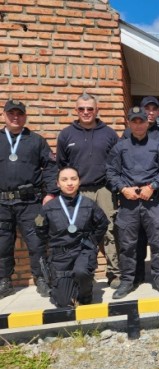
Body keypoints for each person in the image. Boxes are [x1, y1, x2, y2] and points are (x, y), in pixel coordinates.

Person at [106, 107, 159, 299]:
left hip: (152, 202)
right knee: (128, 245)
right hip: (128, 203)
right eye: (134, 121)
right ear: (129, 123)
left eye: (141, 121)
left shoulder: (158, 147)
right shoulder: (120, 148)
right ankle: (128, 281)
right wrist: (122, 188)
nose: (138, 125)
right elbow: (110, 172)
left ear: (147, 123)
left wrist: (152, 186)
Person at [56, 93, 120, 289]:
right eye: (81, 109)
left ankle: (114, 273)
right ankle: (85, 274)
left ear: (96, 110)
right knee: (80, 233)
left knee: (110, 230)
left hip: (104, 190)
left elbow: (117, 163)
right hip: (78, 192)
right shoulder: (66, 134)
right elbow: (62, 165)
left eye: (90, 109)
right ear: (76, 110)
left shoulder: (109, 134)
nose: (86, 112)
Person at [0, 99, 57, 299]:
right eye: (11, 113)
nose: (15, 117)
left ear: (25, 116)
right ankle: (4, 281)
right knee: (2, 245)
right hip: (2, 204)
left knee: (37, 243)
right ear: (4, 115)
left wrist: (50, 193)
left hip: (30, 203)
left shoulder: (36, 140)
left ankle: (41, 279)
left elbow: (50, 167)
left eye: (19, 114)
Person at [35, 167, 109, 307]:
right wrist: (55, 243)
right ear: (58, 184)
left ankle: (86, 293)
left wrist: (92, 242)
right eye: (64, 179)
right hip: (60, 256)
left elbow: (102, 224)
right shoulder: (48, 207)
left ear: (79, 182)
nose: (69, 183)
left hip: (83, 251)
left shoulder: (89, 204)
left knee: (81, 272)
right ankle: (72, 287)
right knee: (63, 303)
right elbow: (40, 229)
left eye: (73, 179)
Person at [121, 96, 159, 285]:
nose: (150, 112)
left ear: (158, 113)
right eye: (147, 108)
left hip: (157, 196)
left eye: (154, 109)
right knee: (136, 240)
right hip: (132, 198)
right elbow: (121, 166)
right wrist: (126, 188)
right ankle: (137, 275)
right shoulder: (127, 135)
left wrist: (153, 187)